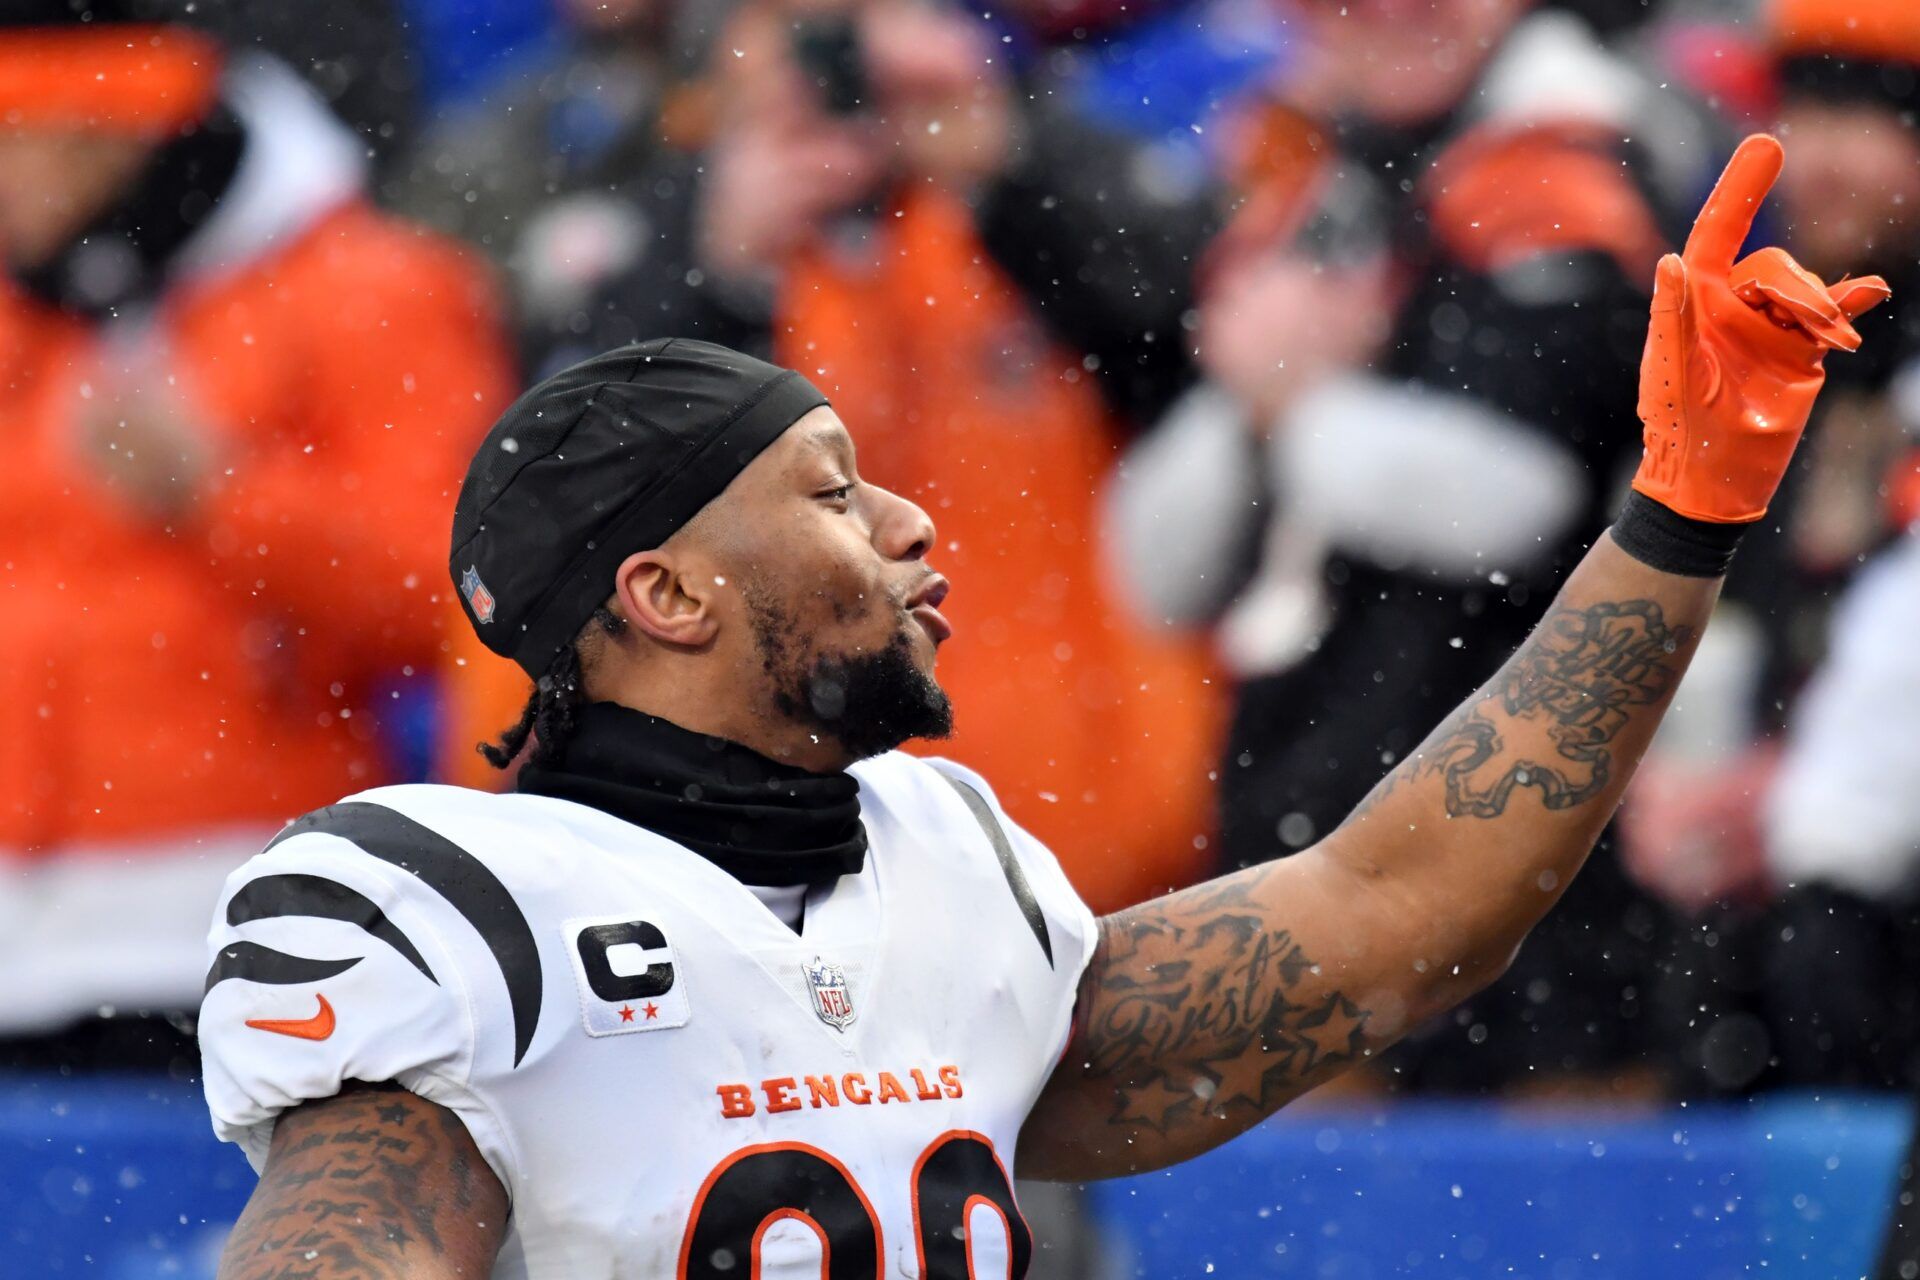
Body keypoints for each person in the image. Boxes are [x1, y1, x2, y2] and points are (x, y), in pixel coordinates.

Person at [200, 136, 1884, 1277]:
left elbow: (1401, 917)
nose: (912, 525)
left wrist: (1683, 509)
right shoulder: (450, 902)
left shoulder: (943, 863)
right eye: (832, 494)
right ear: (666, 592)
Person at [444, 0, 1227, 916]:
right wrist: (720, 268)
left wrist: (1007, 161)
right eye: (806, 36)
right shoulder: (660, 225)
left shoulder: (1031, 200)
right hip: (761, 888)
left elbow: (1204, 356)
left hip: (1095, 865)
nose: (847, 78)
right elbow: (565, 504)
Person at [0, 0, 514, 1049]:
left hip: (249, 927)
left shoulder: (375, 287)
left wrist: (226, 497)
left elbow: (467, 598)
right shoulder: (25, 302)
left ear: (103, 137)